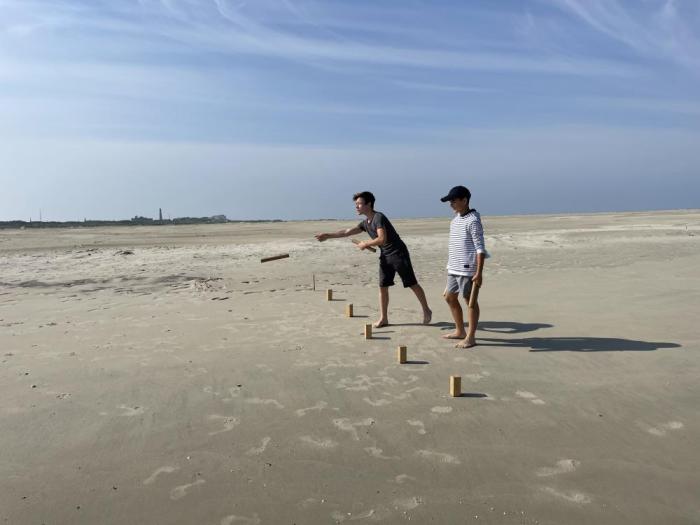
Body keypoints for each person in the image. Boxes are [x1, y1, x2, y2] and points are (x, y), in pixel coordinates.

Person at [315, 191, 432, 328]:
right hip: (385, 255)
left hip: (398, 253)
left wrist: (365, 243)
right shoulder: (365, 223)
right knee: (383, 286)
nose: (356, 206)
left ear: (368, 204)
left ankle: (426, 310)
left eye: (359, 204)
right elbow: (347, 232)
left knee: (411, 283)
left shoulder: (378, 217)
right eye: (356, 204)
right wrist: (327, 235)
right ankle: (384, 318)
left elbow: (382, 239)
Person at [440, 185, 486, 348]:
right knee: (449, 297)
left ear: (464, 200)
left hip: (467, 269)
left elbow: (480, 248)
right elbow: (455, 245)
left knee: (469, 301)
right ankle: (460, 330)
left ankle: (471, 337)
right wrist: (449, 266)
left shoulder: (473, 220)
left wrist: (479, 272)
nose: (451, 204)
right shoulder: (455, 220)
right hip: (453, 267)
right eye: (450, 201)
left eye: (453, 201)